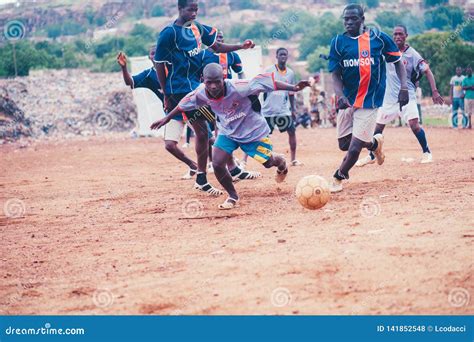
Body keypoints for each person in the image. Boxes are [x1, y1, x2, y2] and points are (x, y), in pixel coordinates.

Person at [150, 63, 310, 209]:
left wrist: (294, 88)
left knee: (268, 163)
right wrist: (167, 118)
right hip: (228, 132)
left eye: (217, 82)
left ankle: (281, 162)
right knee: (218, 164)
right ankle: (233, 196)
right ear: (203, 80)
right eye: (209, 82)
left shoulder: (240, 87)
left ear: (223, 79)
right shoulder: (201, 93)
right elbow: (182, 104)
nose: (213, 86)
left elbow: (269, 83)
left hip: (253, 132)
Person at [154, 0, 255, 196]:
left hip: (194, 84)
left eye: (196, 9)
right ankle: (217, 172)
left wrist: (240, 46)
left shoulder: (196, 28)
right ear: (180, 9)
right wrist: (166, 94)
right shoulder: (169, 33)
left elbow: (216, 46)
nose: (194, 13)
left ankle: (206, 175)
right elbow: (159, 64)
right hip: (179, 88)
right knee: (209, 128)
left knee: (210, 129)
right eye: (190, 9)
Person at [328, 4, 408, 193]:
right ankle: (374, 144)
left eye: (353, 18)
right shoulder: (338, 42)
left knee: (354, 150)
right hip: (347, 100)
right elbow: (335, 74)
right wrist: (339, 95)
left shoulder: (378, 38)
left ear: (362, 20)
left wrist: (404, 87)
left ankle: (338, 176)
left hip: (370, 101)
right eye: (345, 19)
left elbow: (398, 62)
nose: (348, 22)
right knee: (344, 145)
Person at [356, 25, 444, 167]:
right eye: (395, 34)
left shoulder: (412, 54)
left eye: (400, 34)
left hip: (407, 96)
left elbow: (427, 71)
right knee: (377, 128)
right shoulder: (388, 51)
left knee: (414, 126)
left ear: (406, 36)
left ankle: (427, 152)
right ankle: (372, 155)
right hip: (389, 98)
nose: (397, 37)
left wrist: (434, 91)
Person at [261, 47, 302, 166]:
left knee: (292, 131)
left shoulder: (290, 73)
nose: (283, 57)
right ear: (277, 56)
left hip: (283, 110)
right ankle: (263, 158)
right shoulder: (269, 71)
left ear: (287, 57)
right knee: (262, 135)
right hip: (268, 111)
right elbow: (263, 90)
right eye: (281, 55)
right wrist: (263, 106)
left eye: (285, 55)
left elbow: (291, 92)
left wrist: (293, 109)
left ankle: (293, 159)